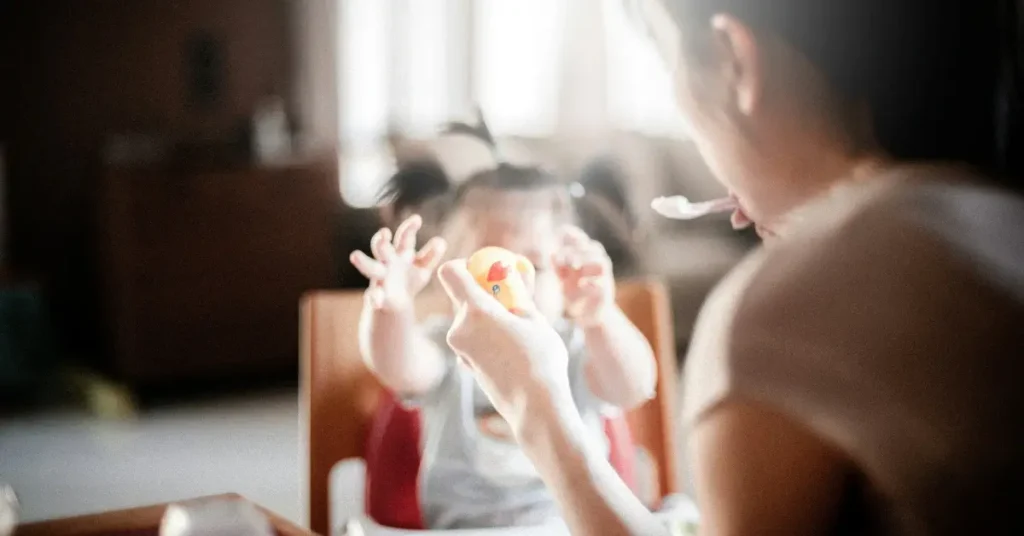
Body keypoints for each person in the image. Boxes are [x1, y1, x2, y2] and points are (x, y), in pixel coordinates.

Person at [433, 0, 1024, 534]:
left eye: (667, 64)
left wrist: (537, 405)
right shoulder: (999, 218)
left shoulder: (774, 317)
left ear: (734, 58)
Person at [348, 120, 657, 530]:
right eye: (489, 268)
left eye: (534, 267)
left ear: (565, 275)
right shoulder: (451, 343)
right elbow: (396, 364)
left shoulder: (577, 346)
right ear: (450, 272)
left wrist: (600, 316)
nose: (512, 287)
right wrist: (393, 308)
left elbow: (633, 386)